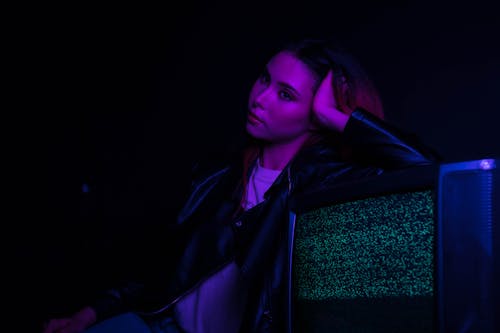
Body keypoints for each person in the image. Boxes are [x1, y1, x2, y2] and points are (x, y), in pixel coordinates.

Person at [42, 37, 439, 333]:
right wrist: (90, 313)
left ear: (316, 114)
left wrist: (340, 119)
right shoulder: (217, 174)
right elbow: (163, 270)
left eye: (285, 94)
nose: (260, 98)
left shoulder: (325, 186)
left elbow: (428, 172)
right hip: (161, 326)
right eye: (264, 79)